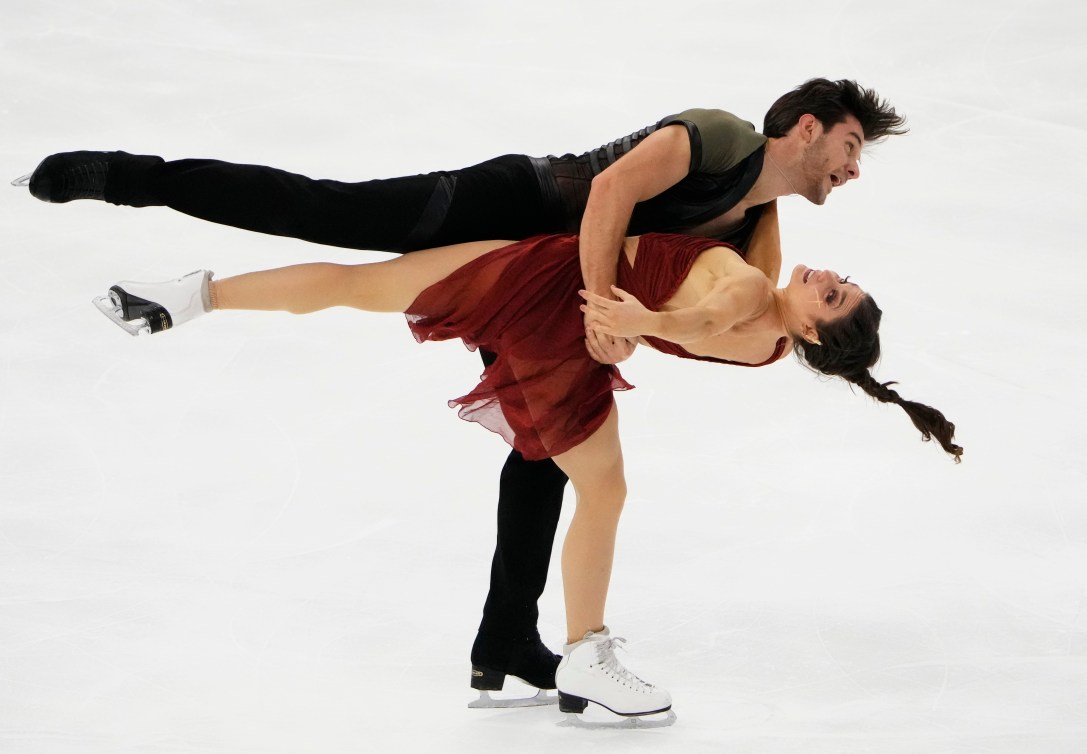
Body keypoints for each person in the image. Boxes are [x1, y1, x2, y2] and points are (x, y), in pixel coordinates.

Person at [19, 78, 910, 703]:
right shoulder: (718, 136)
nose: (852, 167)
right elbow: (605, 196)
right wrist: (610, 311)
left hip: (561, 291)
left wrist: (613, 320)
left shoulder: (762, 224)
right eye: (849, 145)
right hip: (520, 209)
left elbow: (730, 315)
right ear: (806, 127)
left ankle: (506, 644)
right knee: (331, 212)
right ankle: (131, 178)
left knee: (541, 459)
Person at [95, 230, 961, 721]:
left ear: (814, 338)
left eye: (833, 295)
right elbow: (708, 305)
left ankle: (193, 295)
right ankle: (583, 652)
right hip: (565, 310)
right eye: (839, 279)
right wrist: (645, 315)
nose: (825, 276)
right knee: (601, 486)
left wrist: (643, 315)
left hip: (557, 297)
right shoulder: (763, 318)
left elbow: (707, 308)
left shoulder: (760, 317)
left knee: (367, 288)